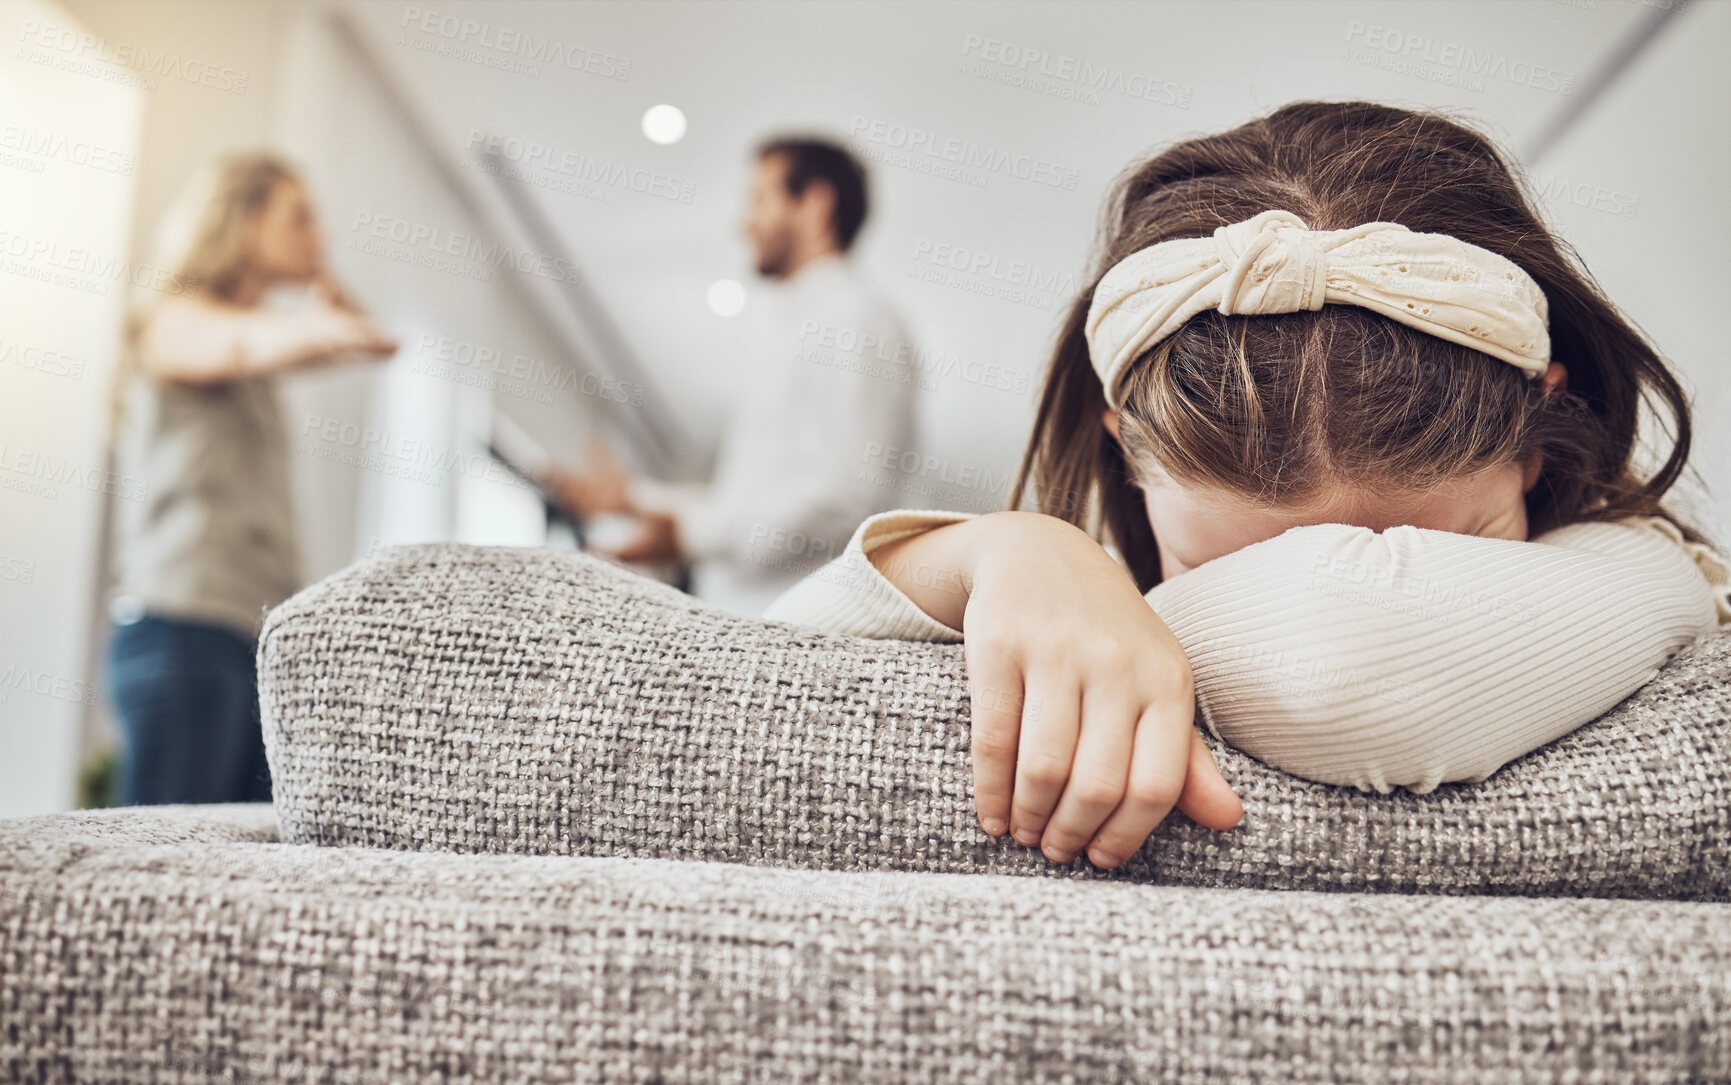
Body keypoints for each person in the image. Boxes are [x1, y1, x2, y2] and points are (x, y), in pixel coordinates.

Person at [761, 101, 1731, 872]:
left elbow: (1344, 656)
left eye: (1423, 554)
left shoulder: (1652, 571)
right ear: (1124, 457)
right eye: (1220, 562)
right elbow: (766, 675)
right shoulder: (1050, 578)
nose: (1333, 569)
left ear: (1540, 445)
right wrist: (999, 550)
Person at [107, 154, 398, 805]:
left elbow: (377, 342)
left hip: (247, 637)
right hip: (181, 629)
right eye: (300, 217)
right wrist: (319, 314)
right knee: (162, 870)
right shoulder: (173, 318)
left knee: (233, 874)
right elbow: (243, 343)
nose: (318, 235)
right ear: (243, 218)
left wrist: (316, 278)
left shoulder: (259, 345)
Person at [541, 137, 920, 617]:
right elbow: (752, 502)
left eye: (759, 199)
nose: (744, 223)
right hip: (760, 624)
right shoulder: (805, 324)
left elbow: (842, 496)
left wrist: (685, 535)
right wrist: (635, 500)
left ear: (815, 205)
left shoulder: (856, 321)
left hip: (801, 633)